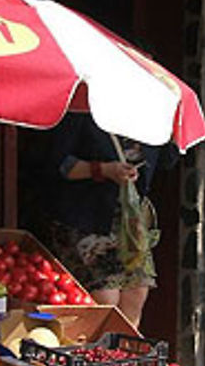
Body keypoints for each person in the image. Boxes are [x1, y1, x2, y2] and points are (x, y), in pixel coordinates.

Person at [40, 112, 175, 328]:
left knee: (137, 293)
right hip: (87, 216)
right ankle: (98, 357)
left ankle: (123, 357)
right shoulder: (83, 111)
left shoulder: (151, 119)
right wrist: (102, 170)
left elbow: (168, 160)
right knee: (106, 298)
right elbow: (58, 163)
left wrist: (171, 128)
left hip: (130, 222)